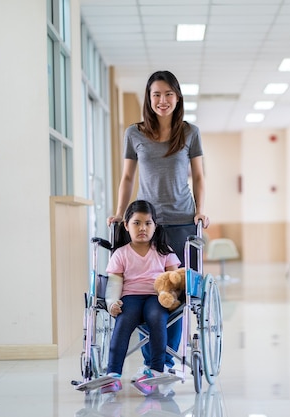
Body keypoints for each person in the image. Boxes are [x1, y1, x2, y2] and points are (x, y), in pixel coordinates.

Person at [106, 70, 210, 380]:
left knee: (175, 292)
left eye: (167, 94)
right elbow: (127, 178)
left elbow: (200, 177)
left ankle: (166, 359)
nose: (162, 100)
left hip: (180, 221)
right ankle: (150, 358)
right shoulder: (134, 133)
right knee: (145, 288)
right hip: (146, 224)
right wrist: (119, 213)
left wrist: (201, 211)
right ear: (148, 99)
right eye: (156, 95)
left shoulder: (190, 133)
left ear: (177, 98)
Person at [101, 200, 181, 395]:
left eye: (148, 223)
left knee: (156, 318)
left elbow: (175, 279)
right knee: (123, 321)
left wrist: (171, 296)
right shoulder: (120, 254)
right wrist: (112, 302)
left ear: (155, 226)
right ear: (126, 226)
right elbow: (114, 283)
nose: (142, 228)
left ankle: (155, 370)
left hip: (156, 297)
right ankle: (113, 374)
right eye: (136, 223)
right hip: (130, 297)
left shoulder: (164, 251)